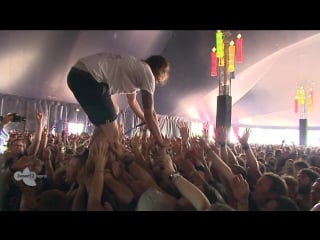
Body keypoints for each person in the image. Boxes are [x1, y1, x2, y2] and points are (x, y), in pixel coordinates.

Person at [67, 52, 170, 147]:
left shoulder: (137, 66)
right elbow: (149, 114)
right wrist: (161, 142)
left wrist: (146, 120)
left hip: (76, 74)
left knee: (114, 110)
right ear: (159, 74)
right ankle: (92, 161)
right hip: (90, 79)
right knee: (113, 136)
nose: (155, 83)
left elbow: (132, 101)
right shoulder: (148, 75)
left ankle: (85, 157)